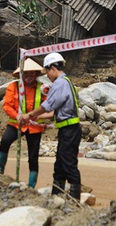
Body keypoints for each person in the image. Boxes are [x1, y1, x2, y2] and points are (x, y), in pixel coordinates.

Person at [19, 52, 82, 199]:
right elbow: (56, 110)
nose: (47, 75)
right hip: (68, 129)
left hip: (69, 130)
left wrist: (30, 115)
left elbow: (48, 105)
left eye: (47, 71)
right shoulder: (66, 82)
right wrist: (40, 117)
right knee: (59, 165)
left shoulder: (60, 83)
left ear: (53, 68)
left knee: (69, 164)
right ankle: (56, 197)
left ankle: (75, 198)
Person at [0, 58, 52, 188]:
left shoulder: (42, 89)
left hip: (34, 126)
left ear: (37, 74)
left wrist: (39, 117)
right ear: (21, 74)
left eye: (32, 73)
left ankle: (31, 184)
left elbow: (47, 105)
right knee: (5, 141)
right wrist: (17, 116)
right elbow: (7, 106)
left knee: (33, 155)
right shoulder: (13, 87)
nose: (29, 76)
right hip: (16, 124)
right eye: (26, 74)